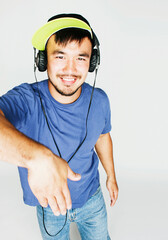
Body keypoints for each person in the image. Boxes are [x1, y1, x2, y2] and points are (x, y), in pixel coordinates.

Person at [0, 13, 118, 240]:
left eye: (81, 58)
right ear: (43, 60)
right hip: (49, 206)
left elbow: (103, 137)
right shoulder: (27, 99)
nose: (70, 69)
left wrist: (111, 176)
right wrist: (37, 158)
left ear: (92, 62)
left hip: (91, 199)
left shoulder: (100, 100)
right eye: (60, 56)